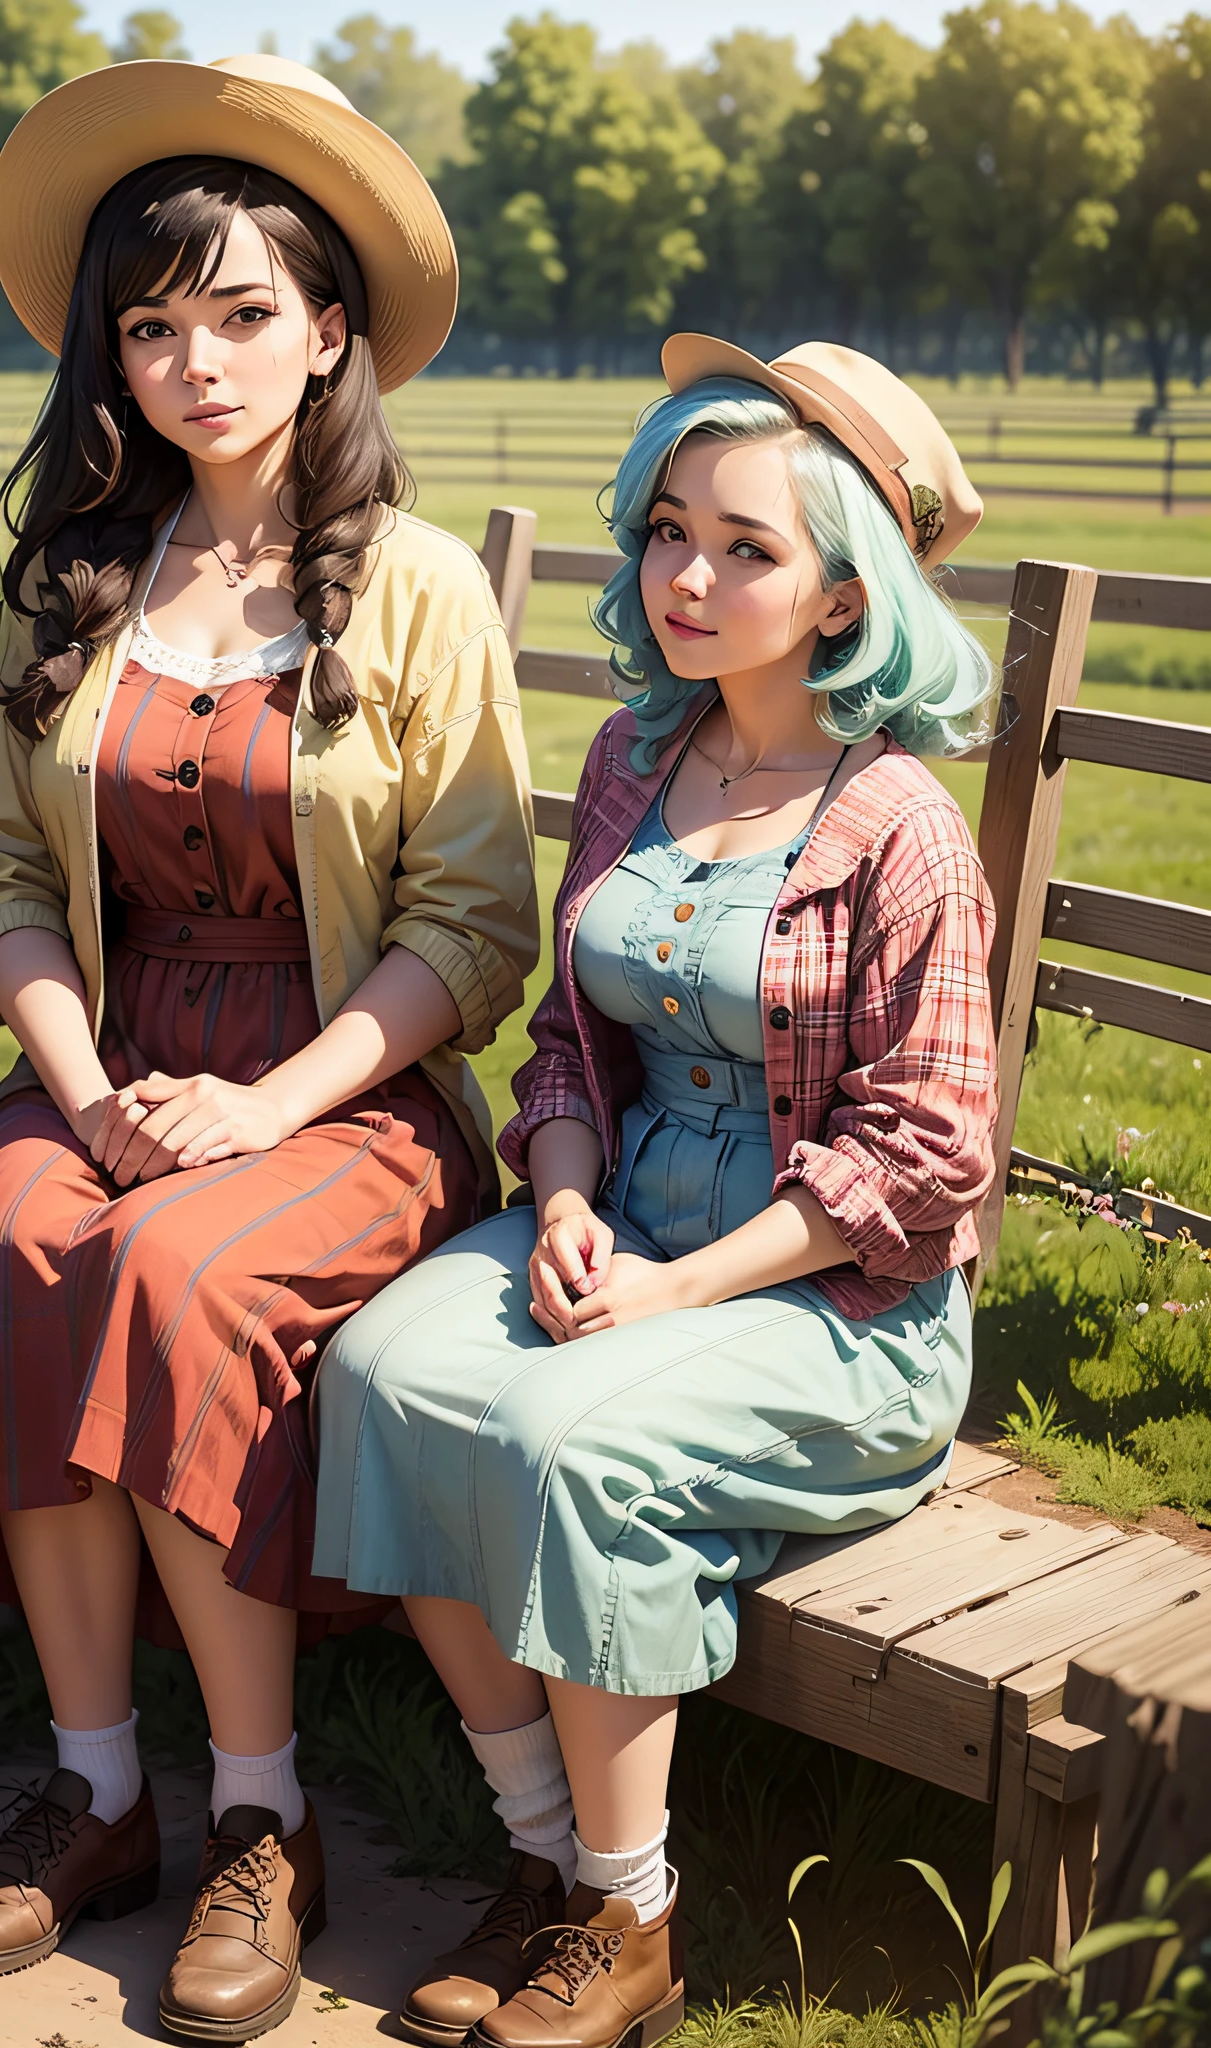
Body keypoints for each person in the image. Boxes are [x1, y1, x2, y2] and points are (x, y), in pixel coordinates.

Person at [0, 55, 540, 2043]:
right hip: (109, 1054)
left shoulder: (422, 592)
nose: (196, 363)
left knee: (185, 1269)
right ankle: (99, 1788)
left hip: (343, 1079)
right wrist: (84, 1091)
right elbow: (1, 868)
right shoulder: (78, 579)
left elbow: (473, 920)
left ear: (330, 328)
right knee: (22, 1238)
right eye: (152, 325)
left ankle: (262, 1816)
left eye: (244, 314)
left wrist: (260, 1104)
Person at [315, 337, 1001, 2048]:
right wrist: (559, 1198)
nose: (687, 575)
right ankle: (552, 1864)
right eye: (668, 528)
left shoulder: (900, 824)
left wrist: (677, 1291)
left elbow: (920, 1154)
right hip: (619, 1237)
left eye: (750, 547)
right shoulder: (642, 759)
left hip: (836, 1309)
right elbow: (567, 1049)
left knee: (564, 1442)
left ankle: (639, 1918)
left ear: (844, 597)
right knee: (383, 1374)